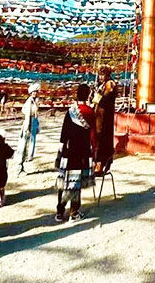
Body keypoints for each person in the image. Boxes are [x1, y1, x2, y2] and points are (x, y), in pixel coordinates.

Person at [55, 83, 97, 222]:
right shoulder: (90, 112)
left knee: (64, 181)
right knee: (76, 182)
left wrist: (60, 152)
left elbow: (63, 133)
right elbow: (93, 135)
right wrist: (94, 150)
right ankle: (74, 212)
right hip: (82, 151)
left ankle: (60, 211)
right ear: (88, 95)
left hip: (68, 150)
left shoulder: (70, 111)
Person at [93, 66, 118, 175]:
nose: (100, 77)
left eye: (102, 75)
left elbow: (106, 97)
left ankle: (101, 162)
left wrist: (99, 96)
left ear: (107, 75)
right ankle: (97, 161)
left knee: (103, 138)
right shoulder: (102, 84)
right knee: (97, 137)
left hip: (105, 115)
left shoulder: (110, 84)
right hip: (99, 114)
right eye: (100, 75)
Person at [16, 83, 40, 174]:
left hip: (33, 123)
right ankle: (19, 165)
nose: (35, 93)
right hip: (28, 123)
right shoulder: (29, 102)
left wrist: (37, 125)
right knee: (24, 144)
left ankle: (24, 163)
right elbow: (27, 114)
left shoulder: (35, 101)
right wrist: (28, 126)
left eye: (36, 92)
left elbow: (36, 114)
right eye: (33, 92)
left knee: (30, 144)